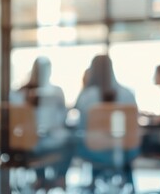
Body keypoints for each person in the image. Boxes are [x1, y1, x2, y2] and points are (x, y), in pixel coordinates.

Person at [74, 54, 139, 186]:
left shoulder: (86, 96)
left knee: (83, 141)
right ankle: (129, 184)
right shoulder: (128, 94)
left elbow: (81, 128)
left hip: (94, 151)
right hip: (125, 150)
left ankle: (93, 183)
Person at [10, 56, 71, 189]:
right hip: (29, 142)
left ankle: (55, 179)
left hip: (48, 138)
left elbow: (62, 117)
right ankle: (44, 178)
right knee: (62, 141)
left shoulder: (56, 92)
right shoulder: (20, 93)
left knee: (68, 140)